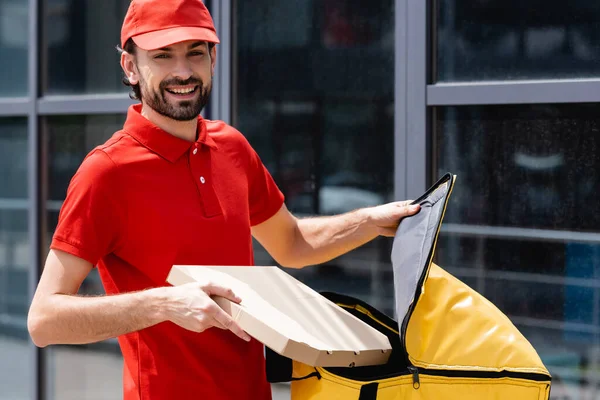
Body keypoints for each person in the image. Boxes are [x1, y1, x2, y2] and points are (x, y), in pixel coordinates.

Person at [27, 0, 420, 399]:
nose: (183, 71)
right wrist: (166, 303)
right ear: (130, 66)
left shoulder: (231, 146)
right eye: (163, 56)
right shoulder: (106, 172)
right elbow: (44, 320)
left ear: (213, 58)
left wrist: (370, 221)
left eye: (195, 52)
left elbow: (294, 243)